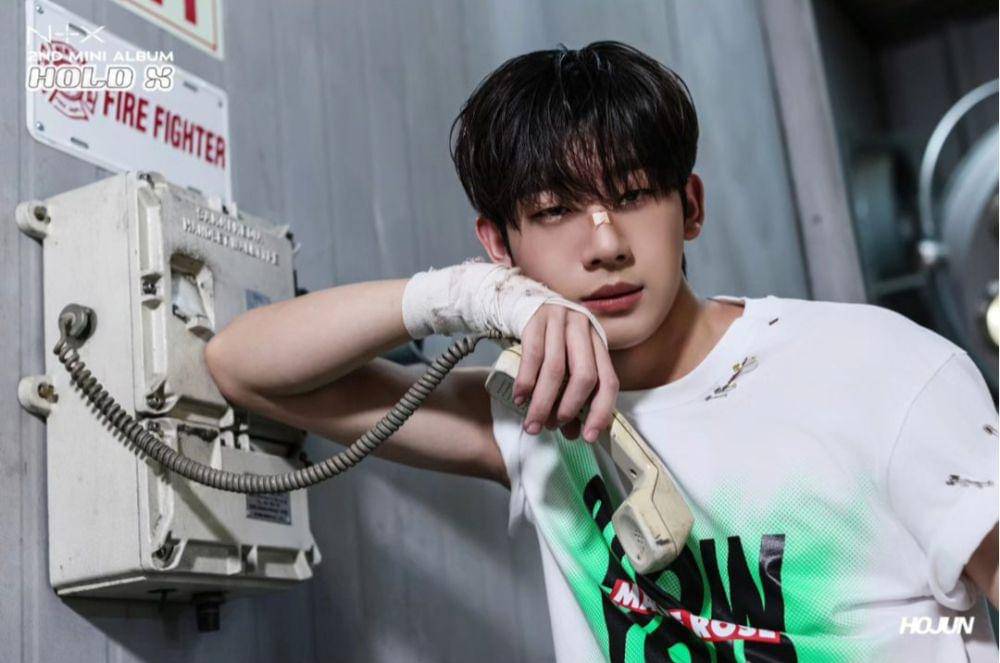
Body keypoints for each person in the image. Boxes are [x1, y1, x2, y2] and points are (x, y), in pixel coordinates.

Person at [204, 41, 999, 662]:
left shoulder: (879, 368)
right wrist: (471, 294)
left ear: (690, 206)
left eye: (633, 194)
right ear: (500, 244)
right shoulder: (532, 417)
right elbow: (244, 367)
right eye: (554, 210)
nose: (606, 243)